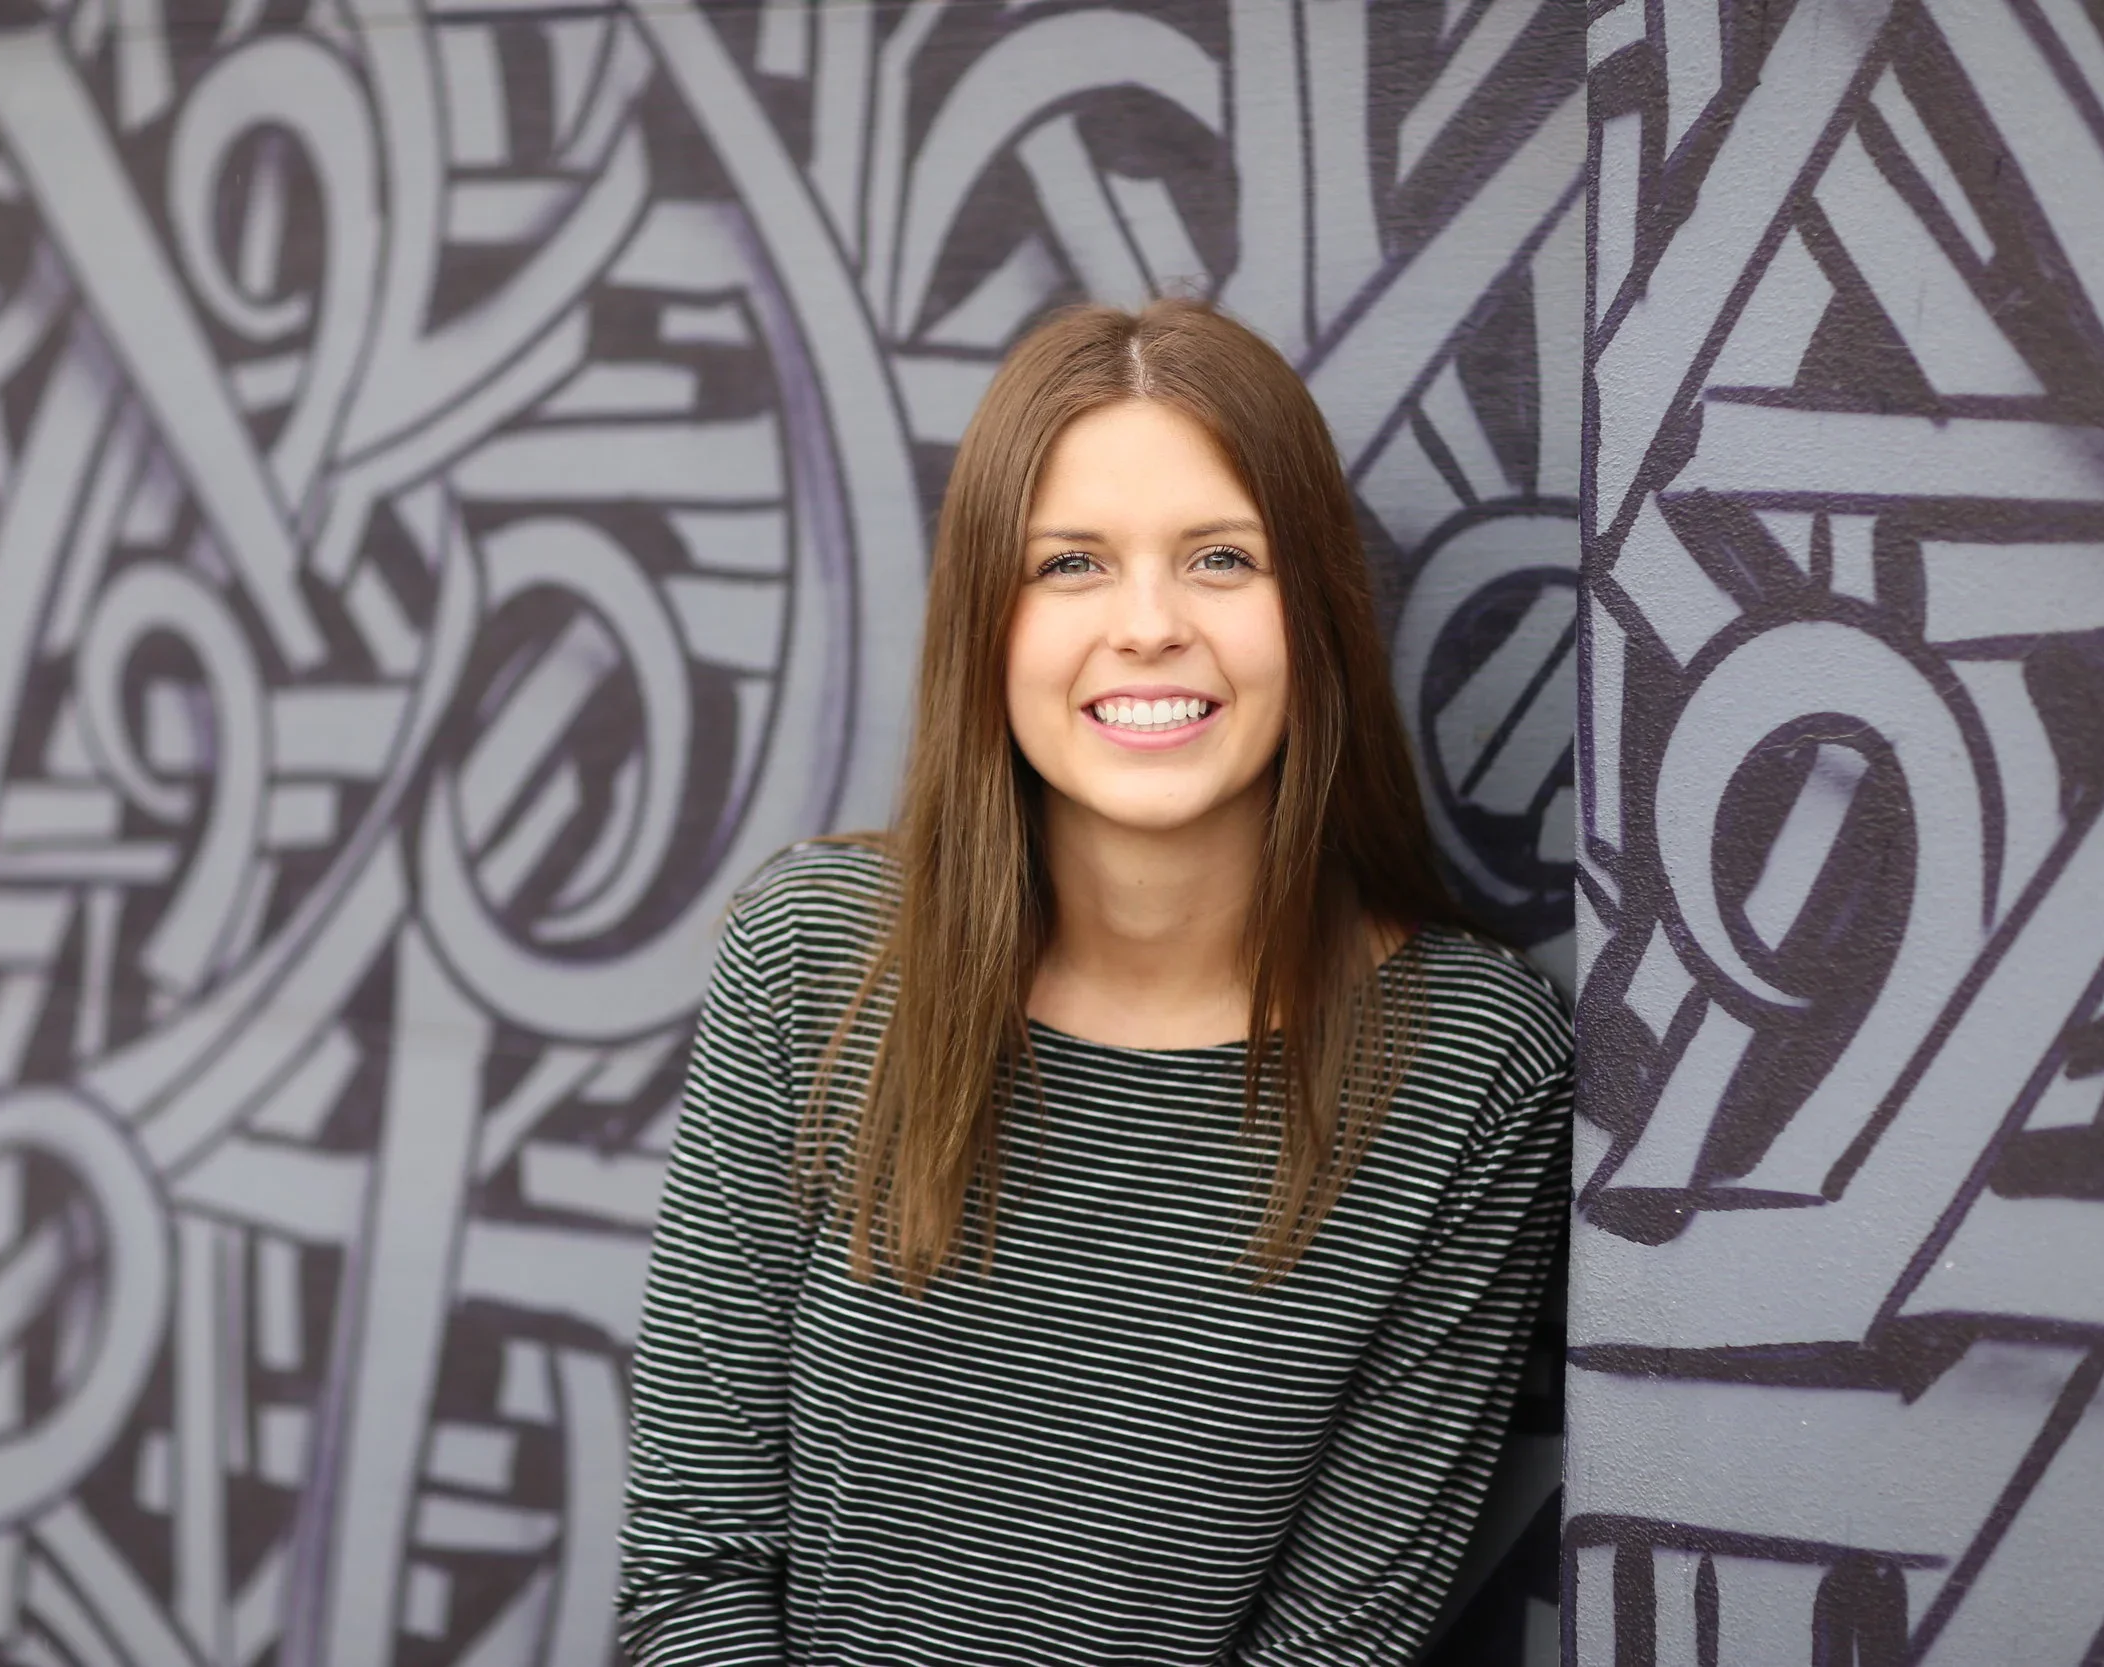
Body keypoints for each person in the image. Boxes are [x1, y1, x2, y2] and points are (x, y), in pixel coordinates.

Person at [616, 298, 1572, 1666]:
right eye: (1069, 562)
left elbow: (1329, 1648)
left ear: (1315, 606)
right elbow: (693, 1565)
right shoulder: (814, 959)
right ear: (985, 624)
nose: (1147, 626)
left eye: (1220, 559)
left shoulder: (1467, 1066)